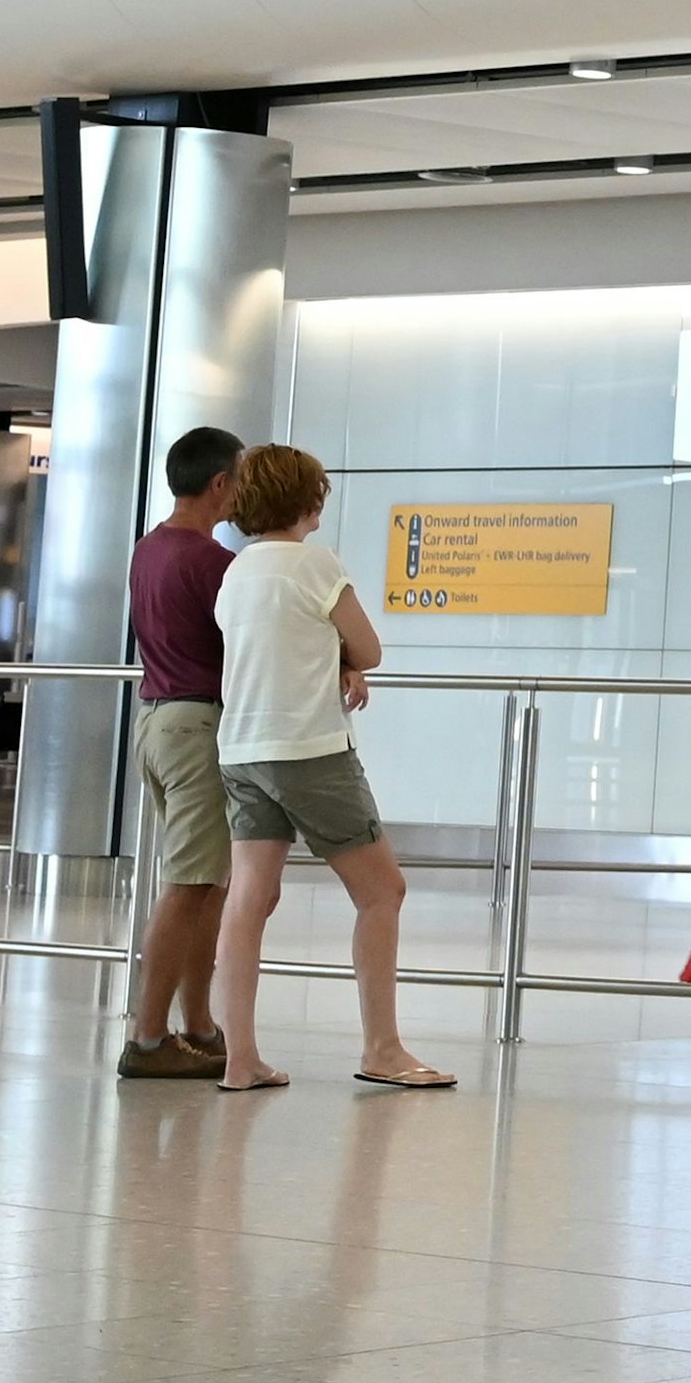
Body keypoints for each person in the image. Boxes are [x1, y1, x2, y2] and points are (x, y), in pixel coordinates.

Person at [209, 445, 451, 1094]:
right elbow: (369, 646)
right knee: (382, 891)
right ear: (308, 502)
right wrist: (349, 660)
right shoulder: (315, 564)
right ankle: (384, 1047)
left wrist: (331, 658)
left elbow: (277, 645)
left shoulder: (237, 572)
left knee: (249, 897)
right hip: (310, 751)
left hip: (241, 750)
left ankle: (241, 1056)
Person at [118, 427, 244, 1081]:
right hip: (199, 726)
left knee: (207, 882)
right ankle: (147, 1036)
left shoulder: (147, 550)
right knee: (189, 883)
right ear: (220, 483)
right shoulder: (213, 562)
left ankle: (197, 1023)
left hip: (157, 721)